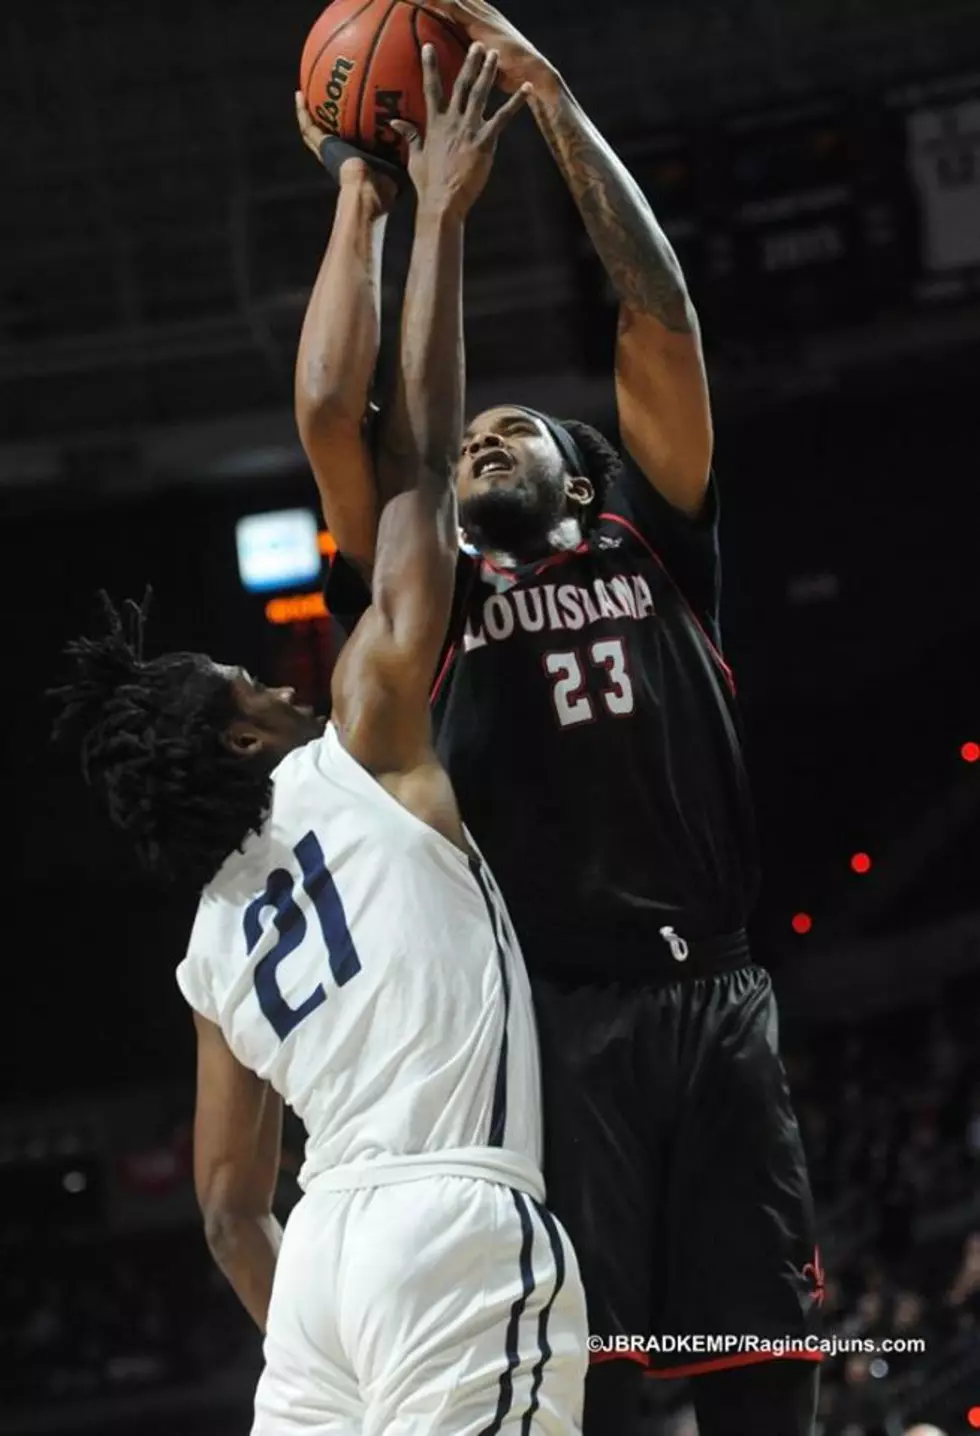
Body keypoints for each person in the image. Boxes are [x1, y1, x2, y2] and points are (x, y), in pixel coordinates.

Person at [297, 5, 821, 1435]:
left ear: (585, 477)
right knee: (573, 1394)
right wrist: (367, 191)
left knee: (764, 1376)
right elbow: (347, 416)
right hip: (550, 1023)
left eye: (512, 427)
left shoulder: (655, 542)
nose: (480, 434)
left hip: (713, 999)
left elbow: (661, 316)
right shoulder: (431, 601)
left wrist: (553, 96)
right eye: (476, 430)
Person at [51, 47, 587, 1436]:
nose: (279, 682)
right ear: (239, 739)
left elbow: (233, 1214)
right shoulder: (358, 748)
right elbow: (393, 452)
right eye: (250, 681)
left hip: (318, 1284)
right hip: (449, 1219)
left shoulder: (214, 942)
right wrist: (429, 210)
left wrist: (361, 196)